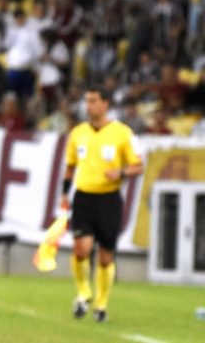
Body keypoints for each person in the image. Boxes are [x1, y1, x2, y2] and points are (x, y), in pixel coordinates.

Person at [60, 87, 143, 323]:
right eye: (87, 101)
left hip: (109, 199)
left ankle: (101, 304)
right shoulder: (78, 133)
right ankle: (84, 293)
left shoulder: (123, 133)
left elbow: (139, 165)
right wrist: (64, 194)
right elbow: (70, 166)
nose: (89, 106)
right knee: (81, 249)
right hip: (84, 197)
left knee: (106, 256)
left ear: (106, 103)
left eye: (94, 101)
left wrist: (122, 171)